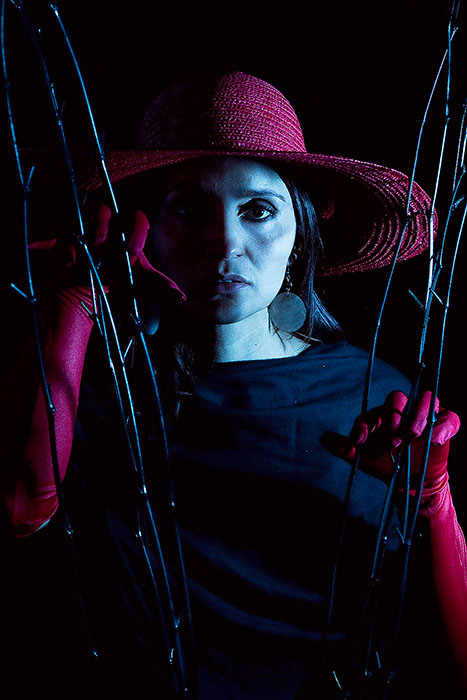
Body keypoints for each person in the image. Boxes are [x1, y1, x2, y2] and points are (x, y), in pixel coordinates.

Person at [1, 71, 466, 699]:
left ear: (301, 229)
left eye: (258, 210)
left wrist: (432, 497)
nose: (225, 244)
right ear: (143, 227)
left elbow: (451, 653)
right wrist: (76, 302)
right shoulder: (101, 384)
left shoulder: (374, 396)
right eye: (189, 209)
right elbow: (21, 508)